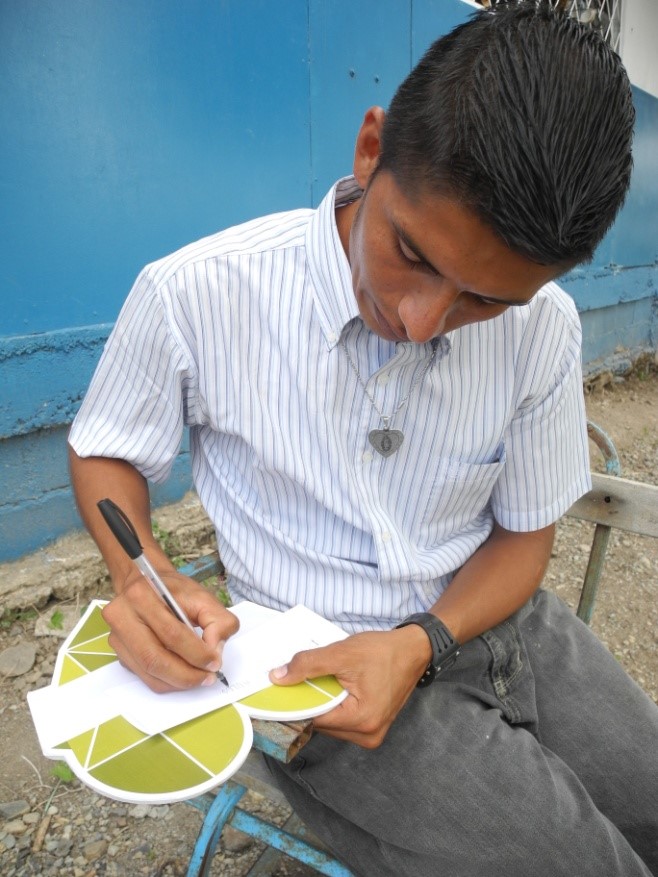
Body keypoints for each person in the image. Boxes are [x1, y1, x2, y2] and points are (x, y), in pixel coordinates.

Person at [68, 3, 657, 875]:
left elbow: (525, 536)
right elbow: (107, 445)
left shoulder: (546, 326)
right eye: (412, 255)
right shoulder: (198, 292)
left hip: (500, 621)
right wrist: (139, 567)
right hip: (318, 674)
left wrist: (421, 641)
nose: (422, 323)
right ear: (370, 148)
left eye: (486, 300)